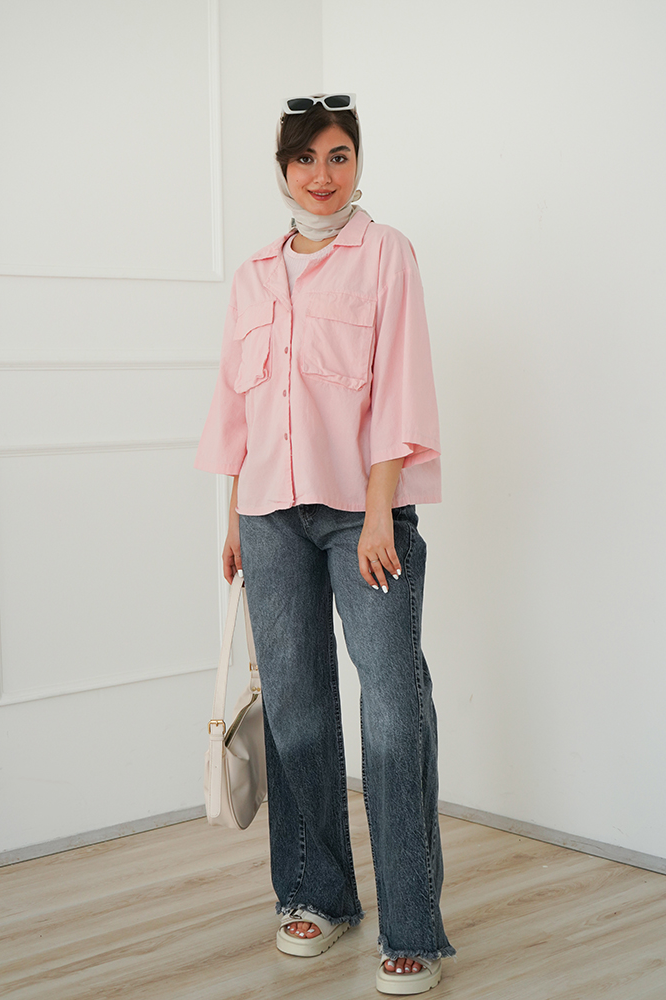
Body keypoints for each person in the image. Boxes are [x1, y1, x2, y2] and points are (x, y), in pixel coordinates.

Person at [195, 93, 454, 995]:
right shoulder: (253, 275)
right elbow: (238, 407)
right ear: (282, 169)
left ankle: (411, 927)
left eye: (339, 156)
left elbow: (401, 384)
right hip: (269, 517)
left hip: (362, 513)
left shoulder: (387, 254)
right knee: (297, 710)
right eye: (305, 158)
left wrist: (382, 511)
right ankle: (317, 893)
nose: (322, 175)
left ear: (358, 163)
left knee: (392, 711)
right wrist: (235, 516)